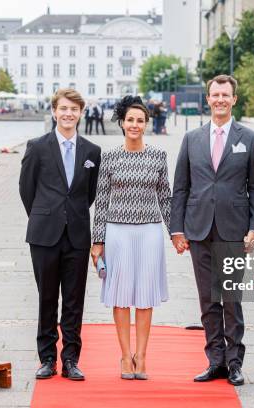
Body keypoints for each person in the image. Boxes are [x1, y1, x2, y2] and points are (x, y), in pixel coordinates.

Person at [171, 74, 254, 386]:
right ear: (207, 99)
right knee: (207, 300)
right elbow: (181, 187)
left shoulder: (250, 139)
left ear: (234, 99)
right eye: (215, 95)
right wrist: (176, 229)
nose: (221, 99)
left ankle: (235, 362)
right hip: (198, 230)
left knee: (231, 299)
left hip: (234, 231)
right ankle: (215, 361)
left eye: (226, 95)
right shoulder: (192, 139)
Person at [20, 88, 102, 381]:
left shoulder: (92, 152)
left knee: (74, 300)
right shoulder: (37, 146)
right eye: (63, 109)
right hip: (44, 235)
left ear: (81, 113)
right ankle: (47, 358)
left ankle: (70, 359)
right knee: (46, 299)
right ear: (54, 111)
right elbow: (26, 190)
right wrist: (46, 214)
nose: (69, 114)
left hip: (77, 235)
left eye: (74, 109)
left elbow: (89, 193)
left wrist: (71, 216)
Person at [90, 95, 170, 380]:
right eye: (130, 120)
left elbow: (165, 199)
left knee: (145, 297)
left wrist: (176, 234)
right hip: (117, 233)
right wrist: (97, 241)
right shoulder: (109, 157)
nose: (135, 125)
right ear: (122, 123)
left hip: (149, 232)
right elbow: (101, 201)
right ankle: (125, 356)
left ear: (146, 124)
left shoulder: (158, 156)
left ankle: (142, 355)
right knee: (121, 297)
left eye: (140, 120)